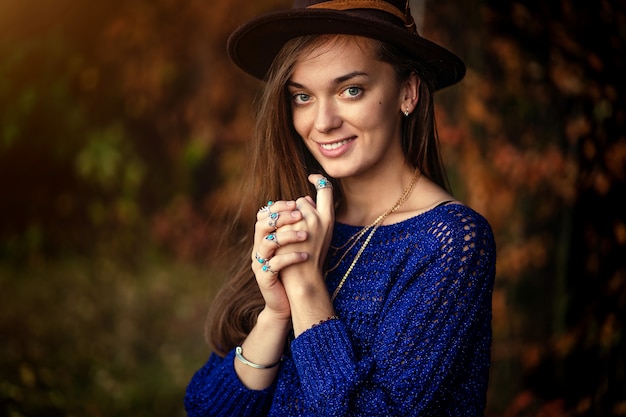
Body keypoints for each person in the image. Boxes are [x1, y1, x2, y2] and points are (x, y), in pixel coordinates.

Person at [185, 1, 496, 416]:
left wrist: (307, 290)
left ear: (408, 91)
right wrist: (276, 315)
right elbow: (205, 408)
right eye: (302, 96)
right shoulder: (304, 223)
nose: (323, 121)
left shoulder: (450, 243)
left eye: (351, 90)